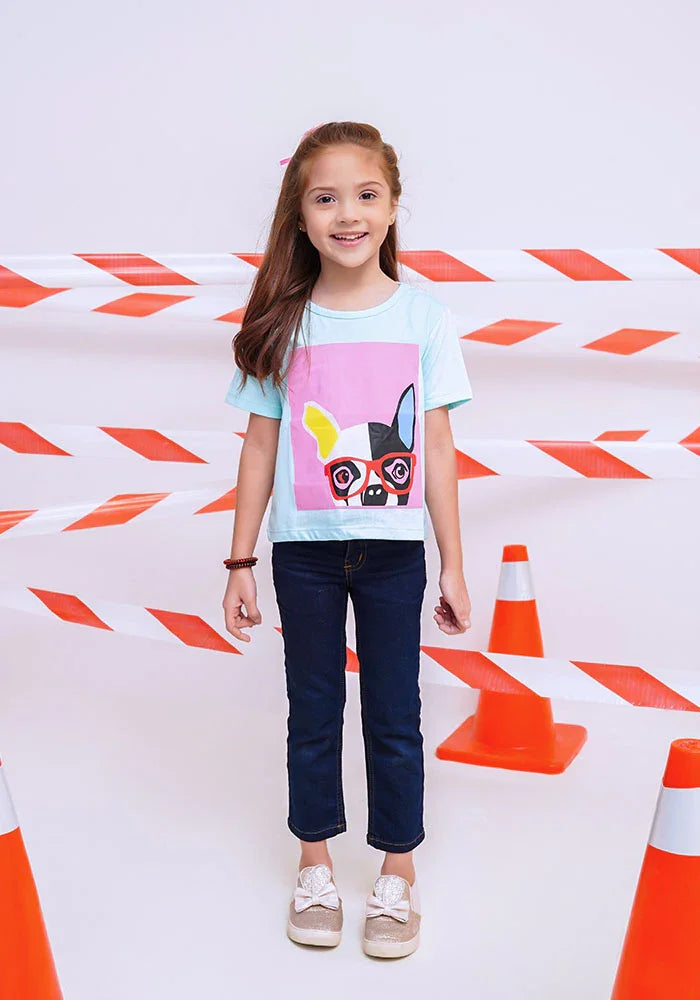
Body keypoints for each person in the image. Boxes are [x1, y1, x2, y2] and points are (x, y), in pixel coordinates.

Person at [222, 121, 474, 958]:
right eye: (325, 199)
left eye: (366, 195)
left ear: (393, 207)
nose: (347, 214)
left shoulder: (424, 317)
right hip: (304, 556)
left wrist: (454, 563)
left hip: (396, 555)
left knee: (396, 714)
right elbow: (261, 447)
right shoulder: (282, 322)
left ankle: (397, 873)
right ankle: (316, 866)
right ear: (300, 216)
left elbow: (437, 448)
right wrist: (240, 560)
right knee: (314, 711)